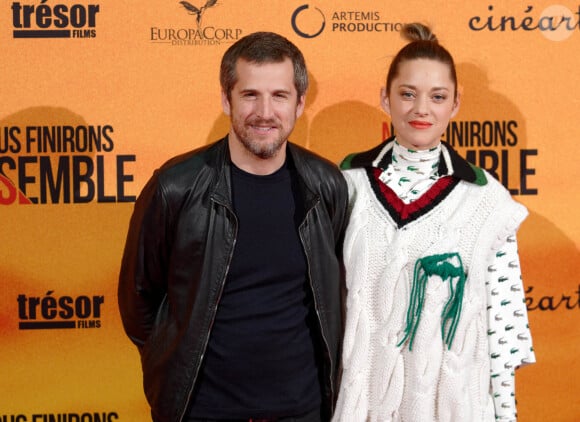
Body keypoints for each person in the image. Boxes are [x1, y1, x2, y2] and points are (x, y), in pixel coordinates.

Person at [118, 32, 348, 422]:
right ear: (227, 99)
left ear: (299, 103)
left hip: (302, 409)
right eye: (250, 95)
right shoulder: (175, 186)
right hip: (202, 410)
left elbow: (336, 291)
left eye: (279, 96)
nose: (265, 112)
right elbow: (138, 301)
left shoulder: (325, 185)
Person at [333, 23, 535, 422]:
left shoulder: (487, 201)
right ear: (385, 99)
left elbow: (504, 332)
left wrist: (505, 414)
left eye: (437, 97)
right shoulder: (345, 186)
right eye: (407, 94)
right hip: (360, 406)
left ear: (455, 104)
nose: (421, 109)